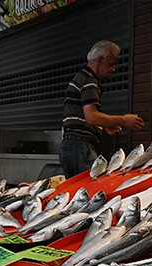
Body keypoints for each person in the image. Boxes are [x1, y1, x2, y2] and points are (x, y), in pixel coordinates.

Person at [59, 40, 144, 178]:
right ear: (99, 60)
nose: (114, 69)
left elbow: (83, 116)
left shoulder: (81, 78)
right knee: (89, 190)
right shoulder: (89, 81)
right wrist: (124, 120)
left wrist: (103, 126)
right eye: (111, 64)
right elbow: (91, 117)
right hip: (80, 146)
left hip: (73, 146)